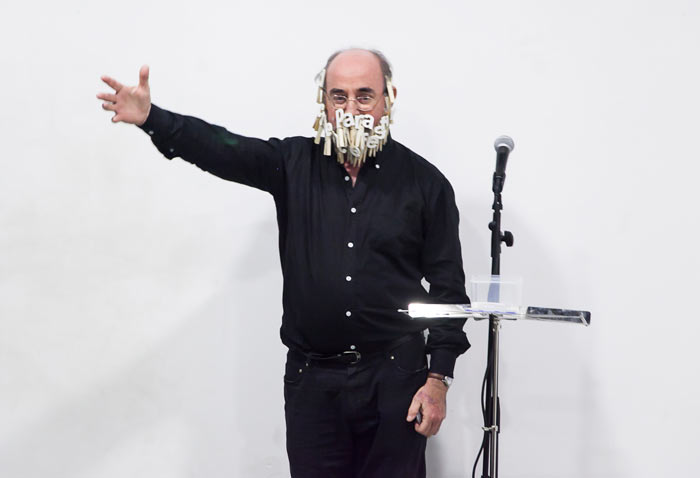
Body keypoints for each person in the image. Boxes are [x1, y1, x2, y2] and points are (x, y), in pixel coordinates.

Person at [97, 48, 470, 478]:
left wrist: (438, 381)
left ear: (389, 98)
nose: (351, 109)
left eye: (364, 96)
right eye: (339, 96)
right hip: (313, 382)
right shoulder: (292, 164)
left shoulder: (426, 184)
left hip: (395, 378)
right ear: (323, 101)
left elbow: (448, 292)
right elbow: (223, 148)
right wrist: (153, 119)